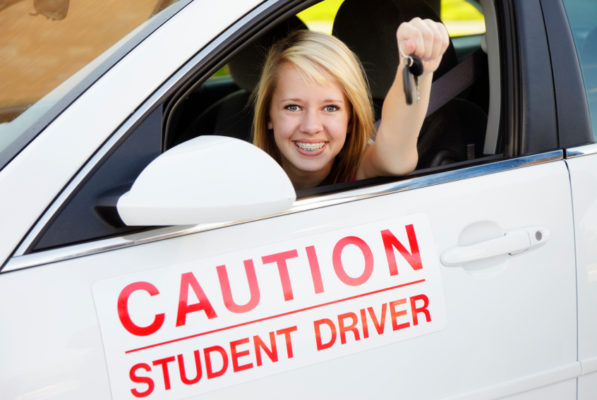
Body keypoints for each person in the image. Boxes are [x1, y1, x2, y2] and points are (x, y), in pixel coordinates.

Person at [253, 18, 449, 190]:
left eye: (330, 108)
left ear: (350, 119)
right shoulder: (242, 179)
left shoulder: (360, 169)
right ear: (268, 115)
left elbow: (395, 156)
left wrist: (419, 68)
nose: (311, 127)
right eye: (293, 107)